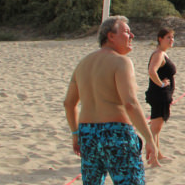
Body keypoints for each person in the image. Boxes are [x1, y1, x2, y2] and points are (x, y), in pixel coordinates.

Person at [63, 15, 159, 184]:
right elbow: (130, 103)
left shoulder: (83, 63)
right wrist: (149, 138)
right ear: (110, 36)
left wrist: (75, 133)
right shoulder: (121, 61)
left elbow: (69, 103)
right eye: (127, 32)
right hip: (116, 132)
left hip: (88, 133)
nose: (132, 36)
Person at [145, 28, 176, 161]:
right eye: (168, 37)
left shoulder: (163, 53)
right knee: (155, 128)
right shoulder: (158, 54)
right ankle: (152, 157)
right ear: (160, 39)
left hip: (162, 95)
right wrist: (161, 84)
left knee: (157, 126)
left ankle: (158, 153)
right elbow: (152, 71)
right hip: (159, 95)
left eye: (172, 37)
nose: (171, 40)